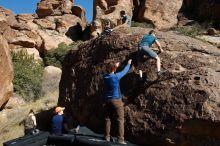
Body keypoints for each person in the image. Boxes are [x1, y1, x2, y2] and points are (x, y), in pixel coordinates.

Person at [103, 59, 132, 145]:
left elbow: (110, 71)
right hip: (116, 100)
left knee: (107, 119)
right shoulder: (116, 77)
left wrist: (115, 66)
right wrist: (128, 64)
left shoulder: (105, 77)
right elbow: (124, 71)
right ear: (114, 69)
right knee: (120, 120)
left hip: (107, 100)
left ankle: (107, 137)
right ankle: (120, 139)